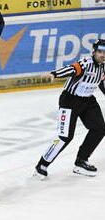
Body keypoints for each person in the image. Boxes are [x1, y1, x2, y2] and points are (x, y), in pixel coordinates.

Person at [34, 39, 105, 180]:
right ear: (94, 52)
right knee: (65, 136)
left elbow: (101, 83)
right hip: (70, 101)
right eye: (100, 52)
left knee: (99, 129)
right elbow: (72, 69)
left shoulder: (103, 66)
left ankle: (81, 161)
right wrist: (54, 74)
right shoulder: (86, 63)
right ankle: (42, 165)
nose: (102, 55)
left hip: (88, 100)